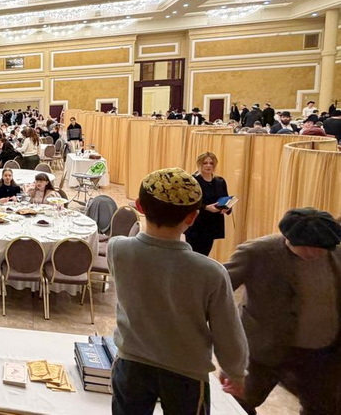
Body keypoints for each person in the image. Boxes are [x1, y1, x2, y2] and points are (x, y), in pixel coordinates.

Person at [108, 168, 248, 414]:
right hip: (186, 372)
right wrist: (235, 370)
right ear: (192, 217)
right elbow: (227, 330)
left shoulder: (117, 249)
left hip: (131, 362)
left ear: (139, 206)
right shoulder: (211, 272)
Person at [224, 208, 341, 414]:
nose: (315, 253)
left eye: (322, 249)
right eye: (308, 248)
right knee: (238, 405)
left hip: (321, 354)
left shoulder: (336, 252)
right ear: (288, 239)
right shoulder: (256, 252)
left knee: (323, 409)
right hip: (264, 350)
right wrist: (228, 354)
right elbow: (217, 292)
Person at [184, 152, 231, 257]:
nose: (208, 166)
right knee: (194, 255)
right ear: (200, 164)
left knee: (204, 255)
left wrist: (227, 208)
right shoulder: (193, 181)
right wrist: (205, 207)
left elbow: (225, 198)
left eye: (211, 163)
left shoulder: (220, 181)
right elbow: (188, 201)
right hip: (196, 223)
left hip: (212, 224)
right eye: (205, 163)